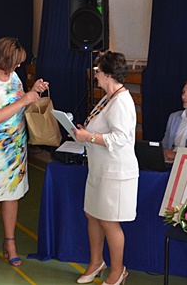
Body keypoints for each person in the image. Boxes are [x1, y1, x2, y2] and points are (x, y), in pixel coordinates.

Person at [0, 37, 48, 271]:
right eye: (16, 62)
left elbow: (19, 105)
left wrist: (32, 92)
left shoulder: (13, 76)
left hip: (15, 147)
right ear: (4, 59)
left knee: (12, 196)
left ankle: (10, 243)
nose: (18, 66)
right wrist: (24, 99)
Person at [73, 51, 137, 285]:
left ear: (109, 75)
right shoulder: (108, 98)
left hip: (116, 172)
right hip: (98, 168)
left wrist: (88, 137)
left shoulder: (122, 101)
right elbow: (99, 130)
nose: (95, 75)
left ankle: (118, 271)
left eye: (98, 71)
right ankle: (96, 262)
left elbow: (120, 139)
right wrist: (83, 133)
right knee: (92, 214)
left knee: (109, 221)